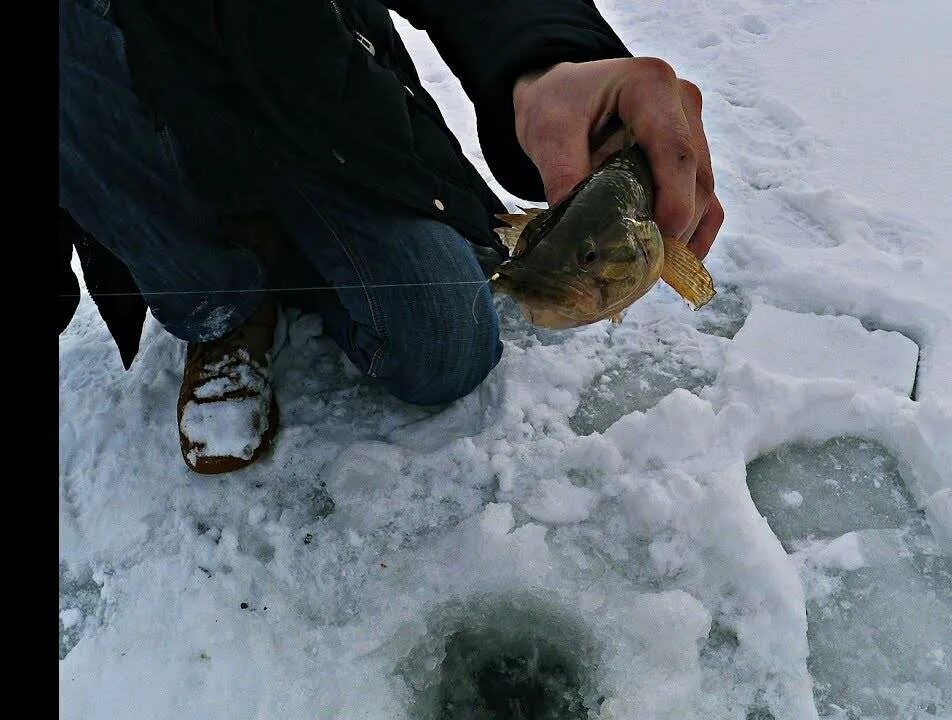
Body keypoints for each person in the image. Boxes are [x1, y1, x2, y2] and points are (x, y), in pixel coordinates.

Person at [58, 0, 724, 474]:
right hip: (136, 144)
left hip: (309, 112)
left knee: (444, 352)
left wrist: (546, 58)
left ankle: (276, 244)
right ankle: (222, 307)